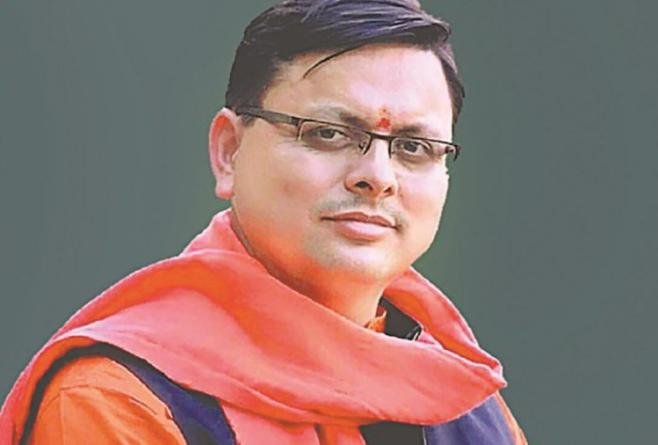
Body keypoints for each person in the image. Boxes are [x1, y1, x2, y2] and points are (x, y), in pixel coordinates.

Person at [1, 0, 527, 443]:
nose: (377, 176)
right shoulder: (119, 397)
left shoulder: (461, 399)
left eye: (414, 147)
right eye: (327, 133)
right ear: (229, 151)